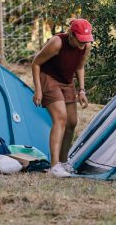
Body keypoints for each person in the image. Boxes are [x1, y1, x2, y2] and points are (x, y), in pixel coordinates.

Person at [31, 18, 93, 176]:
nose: (82, 44)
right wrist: (38, 90)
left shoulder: (85, 45)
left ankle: (64, 162)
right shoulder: (57, 42)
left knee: (72, 122)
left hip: (67, 82)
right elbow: (36, 63)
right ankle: (54, 166)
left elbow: (79, 66)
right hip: (49, 78)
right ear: (71, 34)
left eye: (85, 40)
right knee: (60, 118)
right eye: (80, 40)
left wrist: (82, 90)